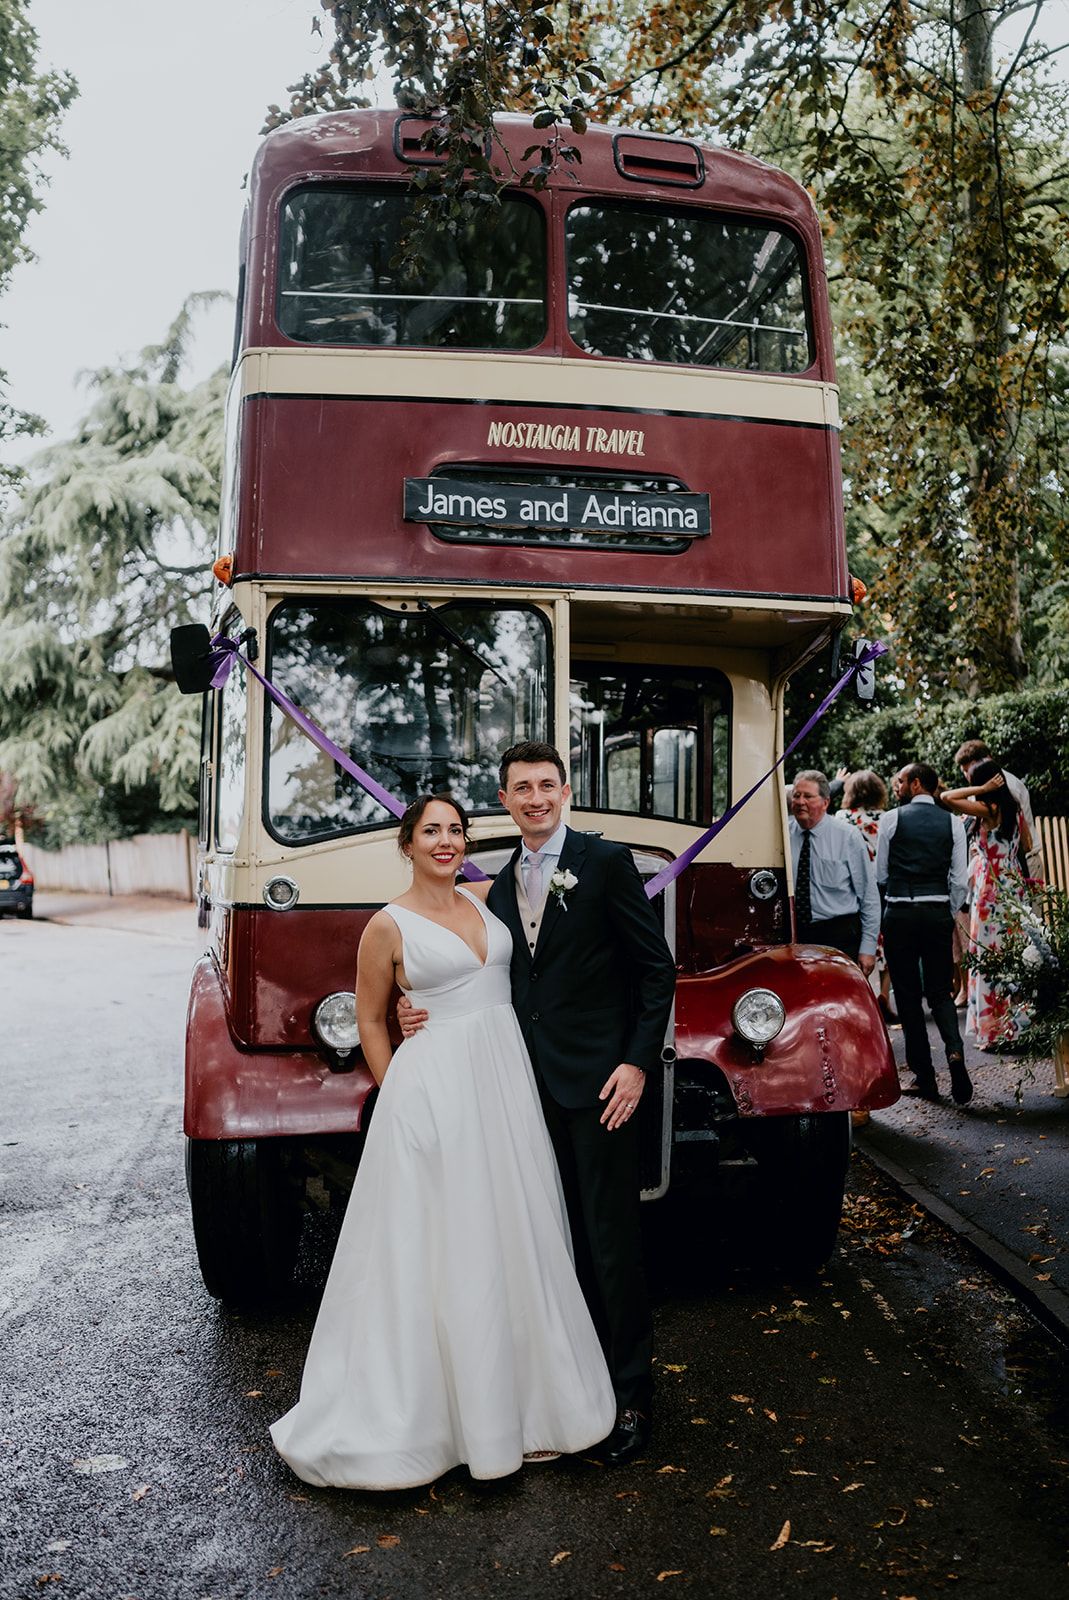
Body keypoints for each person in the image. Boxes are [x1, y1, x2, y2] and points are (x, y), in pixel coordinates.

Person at [270, 794, 617, 1490]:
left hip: (505, 1089)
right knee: (448, 1246)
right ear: (407, 842)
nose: (446, 841)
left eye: (455, 830)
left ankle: (533, 1411)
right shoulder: (385, 925)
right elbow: (371, 1020)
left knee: (517, 1236)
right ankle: (447, 1423)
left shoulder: (486, 898)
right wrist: (398, 1090)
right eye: (431, 831)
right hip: (434, 1091)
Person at [399, 741, 676, 1466]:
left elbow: (654, 972)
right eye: (519, 788)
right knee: (549, 1243)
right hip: (519, 1091)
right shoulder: (490, 889)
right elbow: (484, 978)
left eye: (545, 785)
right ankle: (571, 1391)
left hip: (600, 1089)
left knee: (611, 1243)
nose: (534, 798)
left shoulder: (605, 863)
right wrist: (412, 1011)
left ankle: (631, 1399)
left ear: (564, 792)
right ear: (504, 797)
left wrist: (635, 1065)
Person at [876, 764, 971, 1104]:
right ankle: (955, 1052)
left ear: (916, 784)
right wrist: (946, 908)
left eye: (901, 780)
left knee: (907, 996)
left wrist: (898, 897)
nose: (897, 785)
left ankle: (925, 1076)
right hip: (936, 912)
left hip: (900, 912)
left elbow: (882, 873)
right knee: (940, 992)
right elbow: (960, 880)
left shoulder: (890, 819)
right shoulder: (953, 823)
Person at [940, 762, 1034, 1050]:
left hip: (991, 887)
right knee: (1013, 951)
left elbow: (947, 798)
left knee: (988, 954)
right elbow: (1027, 846)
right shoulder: (1014, 809)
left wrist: (981, 790)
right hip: (1012, 883)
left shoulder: (989, 809)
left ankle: (995, 1031)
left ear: (986, 784)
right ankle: (1015, 1026)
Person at [789, 769, 880, 972]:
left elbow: (868, 896)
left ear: (825, 802)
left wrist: (867, 948)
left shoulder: (847, 836)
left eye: (808, 796)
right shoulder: (783, 836)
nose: (800, 801)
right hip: (795, 936)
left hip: (838, 937)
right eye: (797, 795)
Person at [954, 738, 1038, 879]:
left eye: (971, 769)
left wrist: (982, 788)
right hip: (1008, 865)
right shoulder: (987, 793)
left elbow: (1018, 837)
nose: (968, 775)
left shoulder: (1003, 790)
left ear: (987, 761)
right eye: (965, 771)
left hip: (1018, 862)